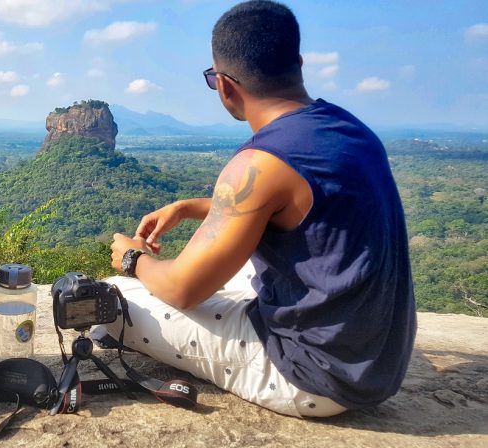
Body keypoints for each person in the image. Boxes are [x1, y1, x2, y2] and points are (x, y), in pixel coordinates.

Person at [97, 0, 416, 418]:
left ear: (224, 85)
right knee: (234, 263)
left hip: (312, 376)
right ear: (298, 64)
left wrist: (132, 258)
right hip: (375, 360)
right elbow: (299, 209)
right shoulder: (350, 129)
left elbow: (182, 290)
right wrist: (189, 207)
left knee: (109, 299)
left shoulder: (259, 162)